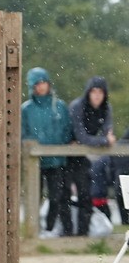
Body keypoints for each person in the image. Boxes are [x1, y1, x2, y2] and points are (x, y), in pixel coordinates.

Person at [21, 67, 74, 236]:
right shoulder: (26, 109)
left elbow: (67, 130)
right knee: (33, 197)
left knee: (56, 197)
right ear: (32, 86)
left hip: (57, 160)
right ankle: (33, 232)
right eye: (38, 83)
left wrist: (60, 145)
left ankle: (50, 229)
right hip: (34, 162)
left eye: (44, 82)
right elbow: (23, 133)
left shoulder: (59, 106)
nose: (42, 86)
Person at [67, 75, 116, 236]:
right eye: (94, 91)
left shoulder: (106, 109)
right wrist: (103, 140)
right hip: (64, 153)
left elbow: (108, 133)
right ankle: (64, 235)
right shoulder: (77, 106)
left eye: (100, 92)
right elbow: (81, 136)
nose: (97, 95)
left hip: (82, 156)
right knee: (61, 196)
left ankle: (82, 235)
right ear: (88, 93)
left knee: (85, 195)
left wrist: (102, 140)